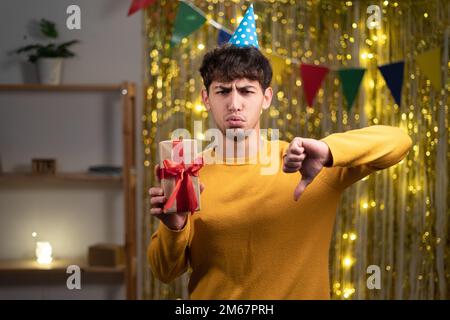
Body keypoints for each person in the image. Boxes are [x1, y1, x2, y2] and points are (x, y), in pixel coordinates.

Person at [147, 42, 412, 299]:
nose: (234, 103)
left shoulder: (308, 162)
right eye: (223, 91)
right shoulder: (188, 173)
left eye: (247, 91)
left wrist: (329, 150)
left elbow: (399, 141)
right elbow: (165, 271)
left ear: (266, 98)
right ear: (206, 98)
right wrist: (175, 226)